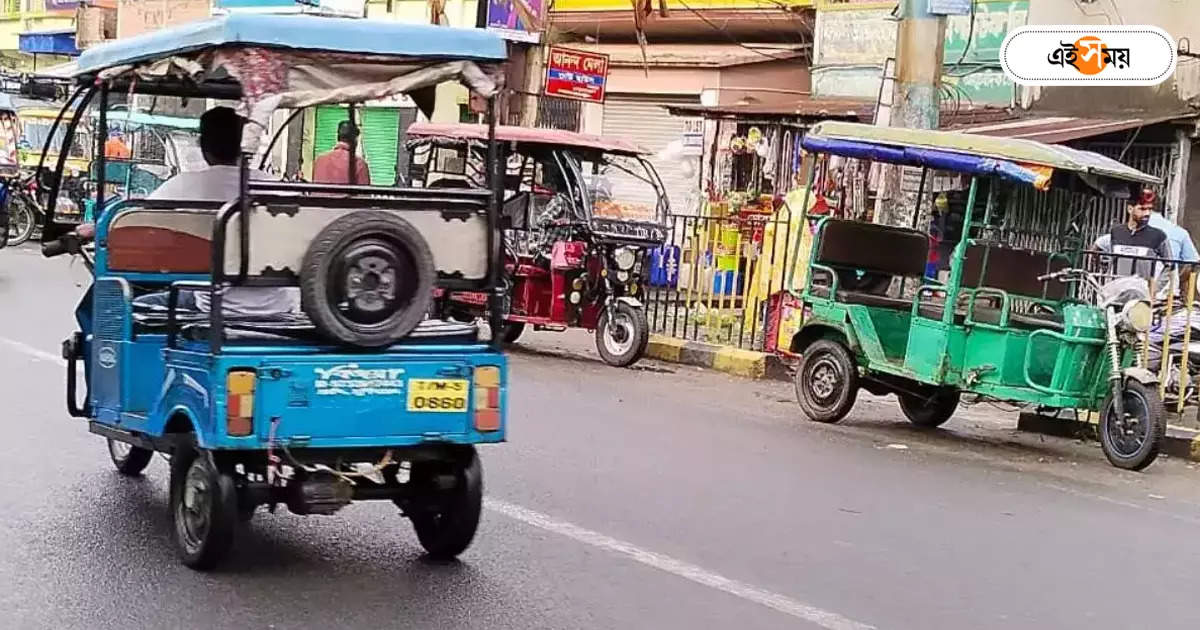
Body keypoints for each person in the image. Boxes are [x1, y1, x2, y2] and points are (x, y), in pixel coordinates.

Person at [127, 107, 299, 318]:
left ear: (202, 147)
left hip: (213, 304)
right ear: (242, 145)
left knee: (130, 305)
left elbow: (132, 221)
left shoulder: (184, 184)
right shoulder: (275, 186)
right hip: (279, 305)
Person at [1093, 190, 1174, 283]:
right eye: (1142, 209)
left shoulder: (1158, 235)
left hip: (1141, 293)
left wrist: (1155, 288)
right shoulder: (1117, 232)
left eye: (1150, 209)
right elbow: (1099, 250)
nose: (1147, 213)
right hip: (1116, 291)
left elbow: (1170, 265)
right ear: (1130, 209)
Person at [313, 120, 371, 185]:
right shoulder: (359, 164)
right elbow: (364, 193)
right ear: (355, 139)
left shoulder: (320, 160)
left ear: (337, 137)